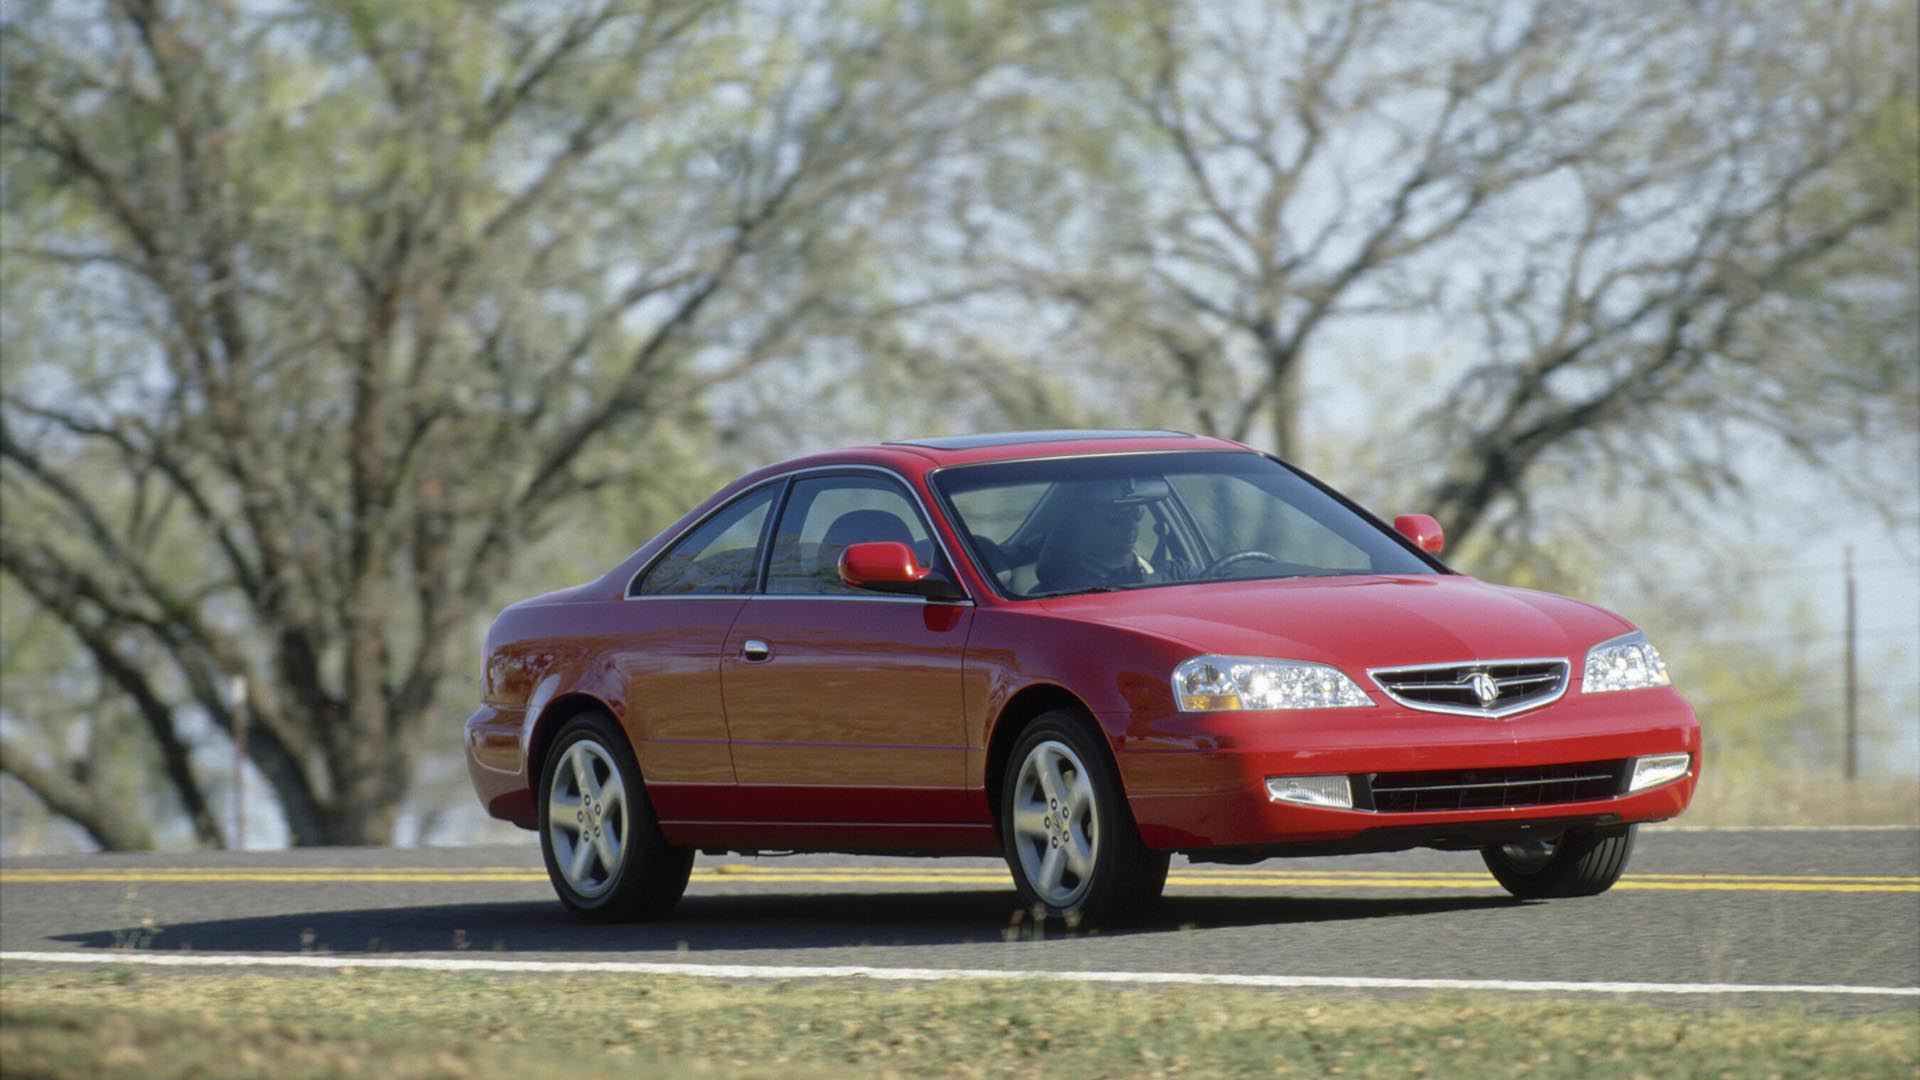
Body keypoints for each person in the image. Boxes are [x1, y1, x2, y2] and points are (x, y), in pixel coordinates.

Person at [1033, 480, 1157, 593]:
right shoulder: (1066, 593)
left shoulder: (1159, 572)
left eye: (1136, 514)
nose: (1130, 526)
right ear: (1086, 523)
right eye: (1115, 517)